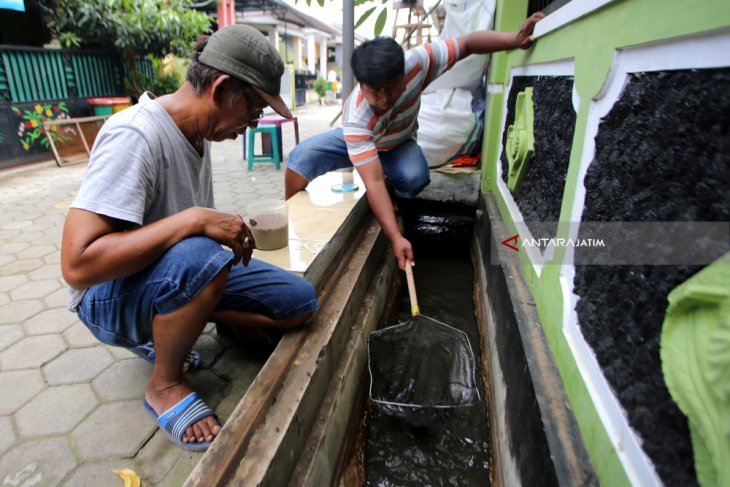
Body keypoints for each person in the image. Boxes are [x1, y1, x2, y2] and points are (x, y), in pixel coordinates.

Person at [60, 25, 319, 451]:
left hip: (170, 272)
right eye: (253, 109)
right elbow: (77, 265)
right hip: (106, 296)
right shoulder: (136, 135)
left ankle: (189, 323)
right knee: (202, 255)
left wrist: (206, 229)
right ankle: (164, 384)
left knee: (298, 303)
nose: (253, 124)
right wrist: (194, 220)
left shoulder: (198, 134)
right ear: (221, 89)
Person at [285, 12, 545, 270]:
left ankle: (389, 183)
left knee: (415, 177)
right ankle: (290, 222)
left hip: (398, 145)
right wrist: (396, 237)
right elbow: (372, 181)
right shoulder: (356, 118)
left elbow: (467, 44)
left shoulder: (418, 64)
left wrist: (514, 39)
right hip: (361, 140)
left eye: (392, 87)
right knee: (301, 158)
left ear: (404, 74)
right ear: (361, 84)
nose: (385, 98)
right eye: (376, 91)